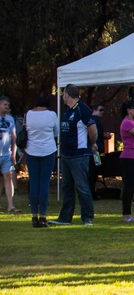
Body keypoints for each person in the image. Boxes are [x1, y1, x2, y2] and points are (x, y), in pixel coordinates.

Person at [50, 85, 98, 226]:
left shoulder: (81, 109)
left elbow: (93, 130)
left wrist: (91, 142)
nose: (62, 96)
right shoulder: (67, 110)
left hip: (79, 155)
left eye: (63, 93)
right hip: (66, 155)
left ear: (67, 94)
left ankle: (87, 217)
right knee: (67, 187)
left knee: (82, 187)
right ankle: (65, 217)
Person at [23, 94, 59, 227]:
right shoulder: (52, 115)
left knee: (34, 182)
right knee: (44, 183)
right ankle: (43, 216)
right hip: (48, 150)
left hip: (31, 150)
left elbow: (26, 130)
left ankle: (34, 215)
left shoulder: (29, 114)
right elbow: (56, 132)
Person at [0, 96, 18, 213]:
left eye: (8, 105)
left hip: (7, 154)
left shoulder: (10, 119)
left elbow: (14, 138)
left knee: (8, 177)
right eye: (4, 104)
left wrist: (14, 153)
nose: (6, 107)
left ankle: (10, 206)